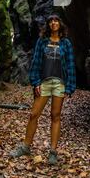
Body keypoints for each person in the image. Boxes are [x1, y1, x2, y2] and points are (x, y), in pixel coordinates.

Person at [9, 13, 76, 165]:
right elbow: (36, 62)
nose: (53, 23)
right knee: (34, 114)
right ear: (48, 25)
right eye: (51, 21)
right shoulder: (42, 41)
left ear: (60, 24)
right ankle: (26, 147)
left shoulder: (66, 43)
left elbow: (71, 65)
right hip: (44, 83)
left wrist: (70, 86)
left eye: (56, 20)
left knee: (55, 116)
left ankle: (53, 152)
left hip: (59, 83)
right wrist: (35, 82)